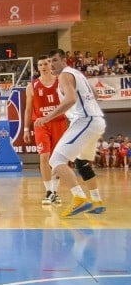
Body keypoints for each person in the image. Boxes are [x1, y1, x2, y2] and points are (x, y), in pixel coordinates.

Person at [34, 48, 107, 217]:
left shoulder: (65, 75)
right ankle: (97, 201)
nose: (51, 64)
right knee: (82, 163)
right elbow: (94, 94)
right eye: (49, 61)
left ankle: (79, 198)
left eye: (55, 60)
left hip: (85, 121)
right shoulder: (78, 73)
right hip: (95, 121)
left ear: (64, 60)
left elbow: (71, 99)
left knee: (56, 160)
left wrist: (47, 118)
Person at [23, 55, 67, 205]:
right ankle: (48, 191)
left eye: (46, 63)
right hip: (41, 124)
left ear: (51, 65)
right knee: (44, 157)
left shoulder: (61, 81)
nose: (43, 66)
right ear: (37, 67)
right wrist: (26, 129)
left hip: (59, 123)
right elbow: (28, 109)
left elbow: (70, 101)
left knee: (58, 159)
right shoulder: (32, 86)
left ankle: (55, 192)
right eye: (40, 64)